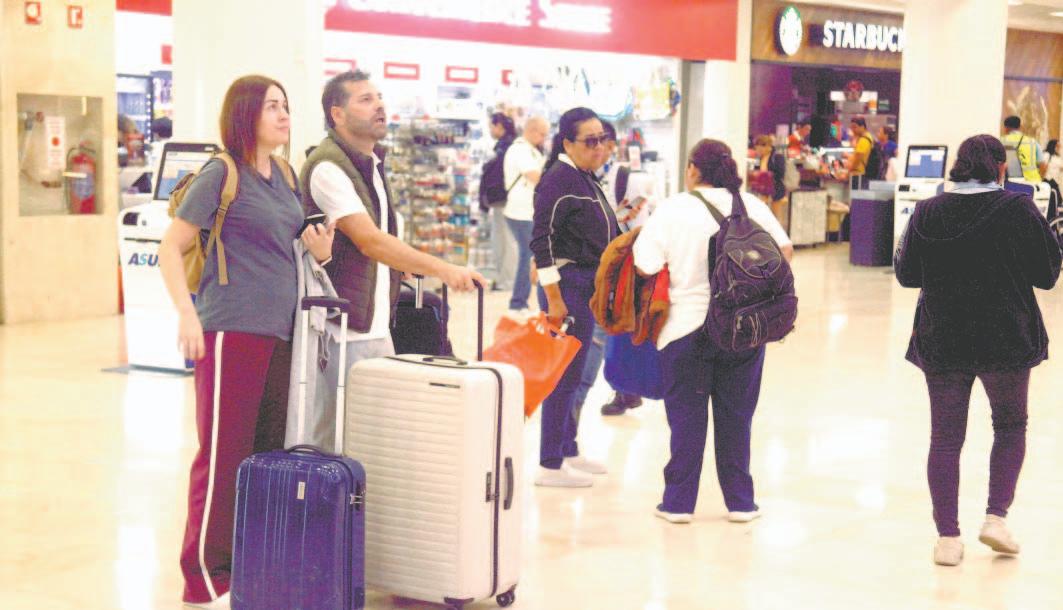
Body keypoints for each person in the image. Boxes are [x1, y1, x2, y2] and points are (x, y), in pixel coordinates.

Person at [158, 75, 335, 609]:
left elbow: (290, 248)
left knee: (264, 456)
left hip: (281, 332)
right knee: (223, 456)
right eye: (272, 107)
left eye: (286, 105)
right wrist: (187, 315)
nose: (284, 115)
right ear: (245, 115)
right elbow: (171, 247)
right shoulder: (222, 172)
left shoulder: (284, 175)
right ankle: (203, 579)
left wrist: (320, 252)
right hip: (230, 330)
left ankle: (248, 569)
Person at [894, 134, 1061, 566]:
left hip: (942, 338)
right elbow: (1047, 275)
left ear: (957, 166)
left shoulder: (928, 211)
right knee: (1010, 426)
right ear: (1001, 169)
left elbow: (907, 275)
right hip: (1006, 338)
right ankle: (995, 518)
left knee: (945, 438)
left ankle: (948, 538)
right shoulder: (1018, 209)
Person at [301, 70, 484, 447]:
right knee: (332, 438)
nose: (379, 106)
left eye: (380, 97)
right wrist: (443, 269)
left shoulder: (369, 164)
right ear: (337, 114)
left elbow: (379, 242)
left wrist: (406, 269)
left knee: (373, 438)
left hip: (374, 324)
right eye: (365, 99)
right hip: (341, 329)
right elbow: (370, 241)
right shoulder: (328, 167)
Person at [632, 138, 793, 525]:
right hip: (742, 328)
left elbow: (644, 265)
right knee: (736, 418)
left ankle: (678, 504)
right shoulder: (749, 205)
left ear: (692, 169)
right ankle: (741, 503)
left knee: (686, 420)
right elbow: (784, 251)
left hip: (685, 329)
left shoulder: (673, 209)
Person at [531, 107, 619, 487]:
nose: (599, 147)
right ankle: (550, 463)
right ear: (567, 143)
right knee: (563, 375)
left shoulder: (583, 176)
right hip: (567, 288)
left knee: (576, 371)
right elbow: (542, 242)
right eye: (590, 140)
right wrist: (554, 299)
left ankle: (568, 449)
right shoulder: (558, 179)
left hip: (585, 285)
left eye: (603, 139)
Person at [502, 116, 548, 312]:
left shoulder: (531, 150)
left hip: (527, 212)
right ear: (531, 130)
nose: (544, 139)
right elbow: (536, 176)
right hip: (520, 212)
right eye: (542, 134)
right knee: (528, 256)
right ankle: (518, 302)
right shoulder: (520, 150)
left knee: (528, 255)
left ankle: (520, 301)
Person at [482, 112, 519, 290]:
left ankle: (508, 281)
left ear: (499, 126)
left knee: (506, 240)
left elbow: (499, 175)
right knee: (502, 240)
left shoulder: (507, 148)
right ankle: (505, 279)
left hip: (506, 200)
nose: (490, 130)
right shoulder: (505, 146)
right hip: (503, 200)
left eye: (491, 126)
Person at [751, 135, 788, 228]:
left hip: (776, 190)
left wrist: (767, 175)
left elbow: (780, 173)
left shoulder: (777, 157)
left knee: (775, 217)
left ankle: (775, 234)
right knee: (764, 215)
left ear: (767, 147)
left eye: (760, 149)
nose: (758, 151)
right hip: (764, 190)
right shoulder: (762, 158)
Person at [1000, 115, 1046, 182]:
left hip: (1010, 183)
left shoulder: (1000, 142)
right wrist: (1040, 178)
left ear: (1006, 128)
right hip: (1032, 182)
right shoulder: (1033, 142)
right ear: (1020, 127)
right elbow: (1043, 165)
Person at [845, 117, 874, 188]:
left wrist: (848, 173)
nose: (853, 130)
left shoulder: (864, 140)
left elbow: (857, 159)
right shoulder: (866, 137)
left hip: (857, 174)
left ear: (862, 127)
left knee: (855, 194)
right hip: (859, 174)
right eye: (851, 127)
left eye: (855, 127)